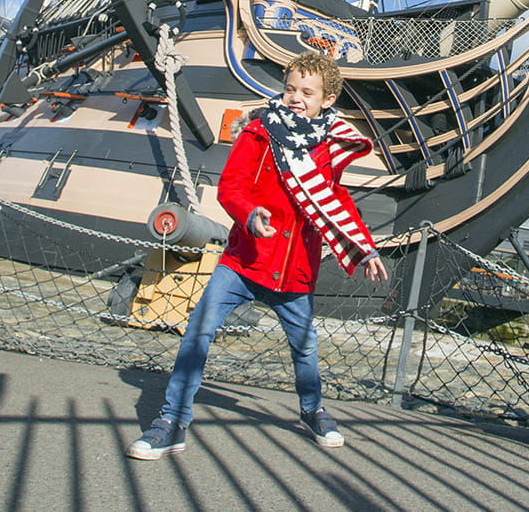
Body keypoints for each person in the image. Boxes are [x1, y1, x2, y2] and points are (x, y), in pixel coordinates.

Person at [125, 53, 388, 459]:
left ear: (328, 100)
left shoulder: (329, 147)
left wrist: (364, 246)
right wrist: (249, 214)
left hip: (294, 266)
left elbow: (336, 200)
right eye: (291, 89)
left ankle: (312, 409)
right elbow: (231, 185)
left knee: (304, 347)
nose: (296, 98)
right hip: (245, 259)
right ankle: (172, 420)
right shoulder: (260, 131)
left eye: (307, 92)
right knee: (199, 330)